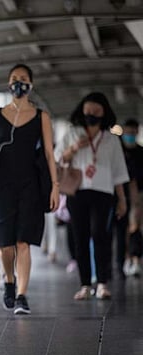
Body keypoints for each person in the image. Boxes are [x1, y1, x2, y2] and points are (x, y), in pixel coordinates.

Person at [0, 64, 60, 315]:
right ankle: (8, 281)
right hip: (1, 186)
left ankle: (22, 295)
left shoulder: (41, 116)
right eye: (14, 78)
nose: (18, 82)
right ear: (8, 83)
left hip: (30, 186)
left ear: (31, 85)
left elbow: (48, 152)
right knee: (5, 245)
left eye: (23, 79)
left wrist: (54, 187)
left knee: (24, 242)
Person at [54, 92, 129, 300]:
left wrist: (122, 199)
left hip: (104, 192)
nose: (92, 115)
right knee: (80, 236)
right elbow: (58, 158)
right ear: (81, 111)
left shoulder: (111, 139)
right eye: (88, 111)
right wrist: (74, 148)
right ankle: (85, 284)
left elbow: (119, 172)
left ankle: (103, 283)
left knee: (101, 235)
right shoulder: (72, 133)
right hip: (77, 192)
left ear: (104, 113)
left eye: (96, 111)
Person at [117, 118, 143, 277]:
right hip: (121, 194)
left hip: (138, 195)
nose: (130, 135)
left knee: (135, 227)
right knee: (122, 230)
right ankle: (124, 259)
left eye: (133, 133)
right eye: (128, 132)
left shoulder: (141, 152)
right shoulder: (118, 150)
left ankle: (135, 258)